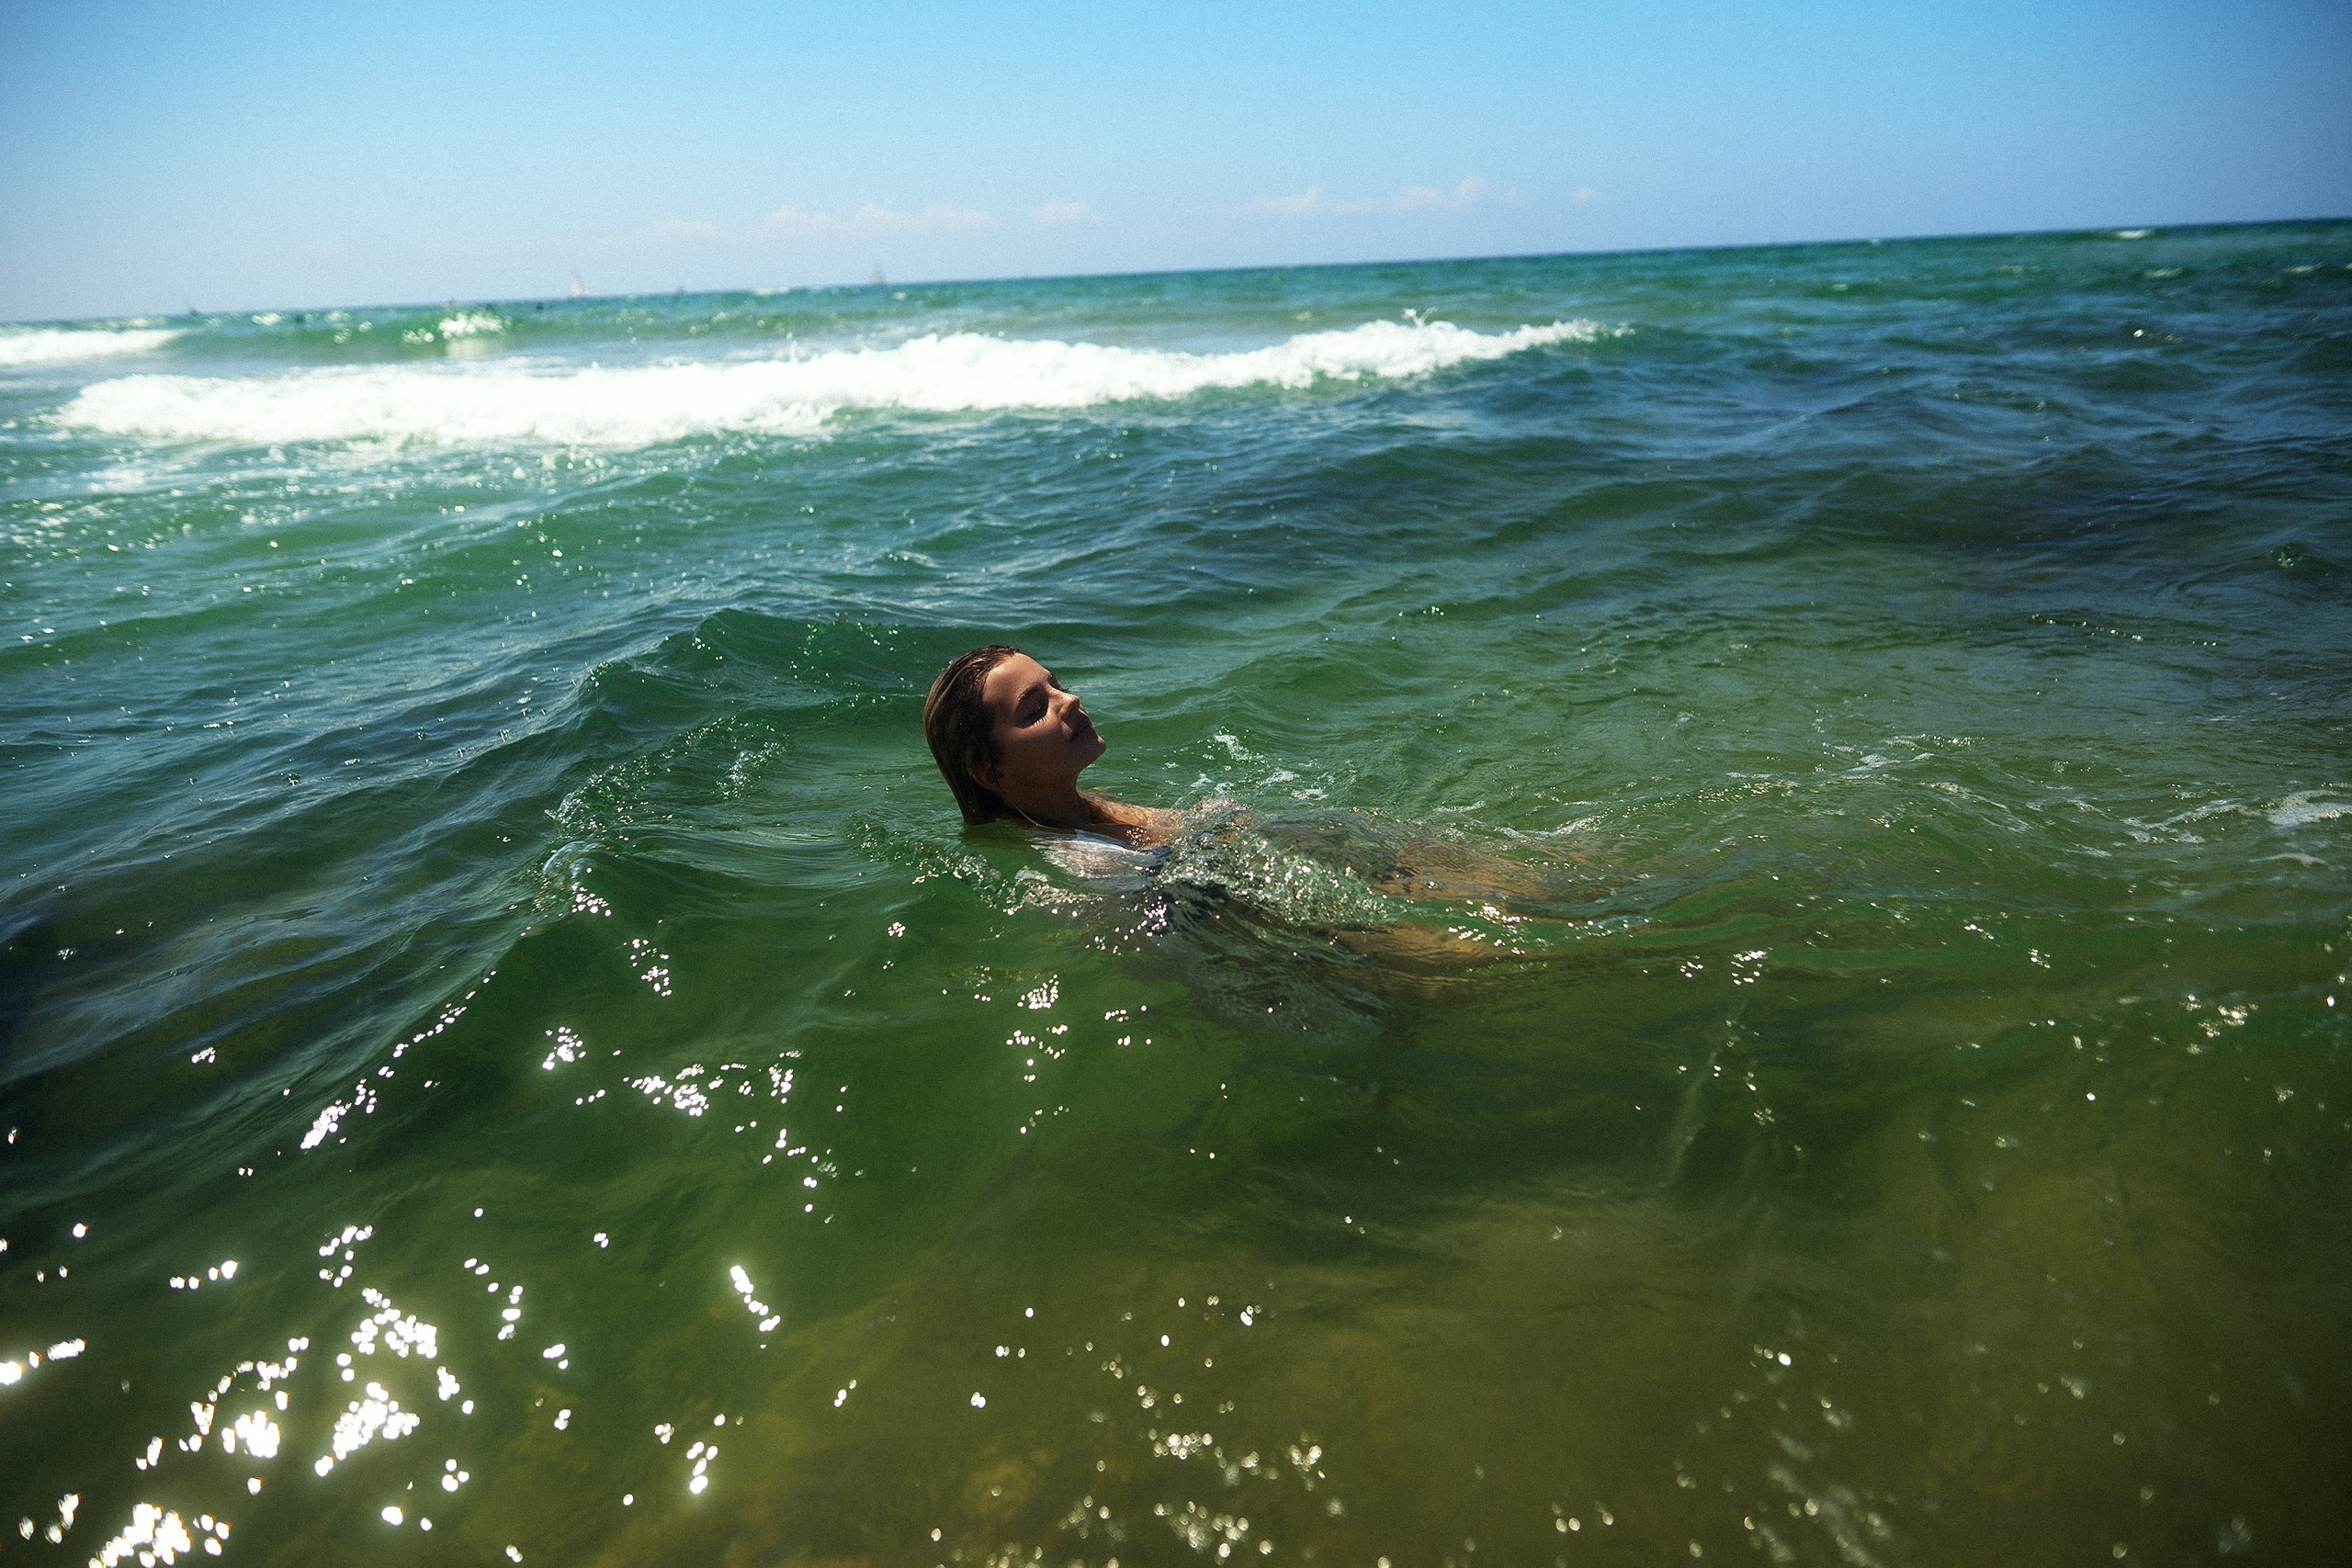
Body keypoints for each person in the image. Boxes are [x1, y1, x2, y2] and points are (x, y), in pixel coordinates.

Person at [923, 647, 1182, 844]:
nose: (1070, 699)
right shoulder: (1080, 861)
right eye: (1036, 710)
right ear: (993, 773)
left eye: (1058, 687)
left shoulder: (1084, 805)